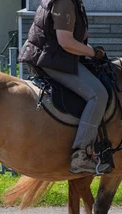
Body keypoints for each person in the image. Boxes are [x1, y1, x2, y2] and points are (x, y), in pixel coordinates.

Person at [19, 0, 111, 174]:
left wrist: (90, 52)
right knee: (99, 95)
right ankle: (81, 155)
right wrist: (92, 52)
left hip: (55, 57)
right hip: (52, 61)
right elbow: (66, 42)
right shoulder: (65, 2)